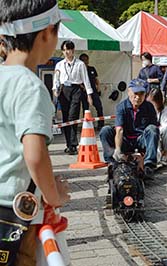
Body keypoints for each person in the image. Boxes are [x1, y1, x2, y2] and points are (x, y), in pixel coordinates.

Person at [0, 1, 70, 265]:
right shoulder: (31, 86)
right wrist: (55, 196)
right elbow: (35, 155)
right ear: (46, 32)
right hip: (12, 213)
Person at [99, 79, 159, 178]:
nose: (138, 97)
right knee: (105, 130)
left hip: (141, 140)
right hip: (125, 140)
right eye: (135, 93)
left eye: (141, 94)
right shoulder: (121, 107)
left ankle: (149, 166)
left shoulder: (149, 107)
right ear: (129, 92)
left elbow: (154, 131)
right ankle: (111, 163)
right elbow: (119, 129)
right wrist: (118, 149)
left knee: (153, 129)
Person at [53, 40, 93, 155]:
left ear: (73, 50)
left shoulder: (80, 64)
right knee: (65, 118)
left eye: (68, 50)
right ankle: (68, 144)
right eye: (64, 50)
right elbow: (56, 78)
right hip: (64, 90)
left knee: (73, 116)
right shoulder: (59, 64)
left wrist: (89, 95)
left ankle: (74, 144)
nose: (66, 52)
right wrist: (55, 90)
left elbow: (86, 80)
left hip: (76, 89)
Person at [147, 88, 167, 164]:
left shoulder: (166, 111)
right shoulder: (146, 110)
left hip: (161, 133)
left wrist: (156, 129)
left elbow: (165, 125)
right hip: (151, 133)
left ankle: (166, 152)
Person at [79, 53, 104, 130]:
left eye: (86, 60)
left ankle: (101, 124)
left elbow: (96, 79)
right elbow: (78, 81)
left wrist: (98, 87)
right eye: (83, 60)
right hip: (84, 92)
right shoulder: (79, 70)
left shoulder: (92, 69)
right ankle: (86, 126)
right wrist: (83, 87)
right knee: (86, 109)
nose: (85, 61)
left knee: (99, 107)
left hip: (94, 92)